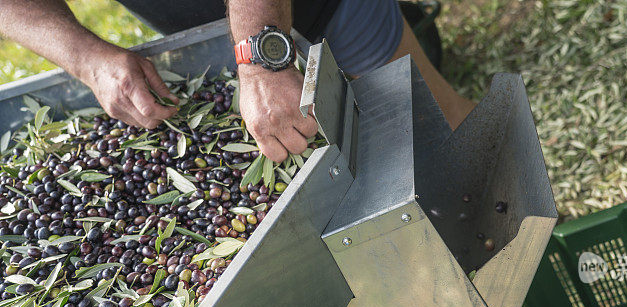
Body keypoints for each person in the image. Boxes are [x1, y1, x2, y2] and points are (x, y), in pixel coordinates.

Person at [0, 0, 475, 162]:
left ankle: (523, 248)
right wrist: (87, 59)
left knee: (435, 130)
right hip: (218, 33)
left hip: (318, 9)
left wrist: (260, 57)